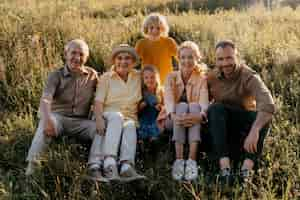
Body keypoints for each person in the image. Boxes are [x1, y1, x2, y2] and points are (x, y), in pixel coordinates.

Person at [25, 39, 105, 181]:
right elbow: (45, 99)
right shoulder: (55, 75)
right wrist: (48, 119)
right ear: (66, 54)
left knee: (101, 130)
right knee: (44, 124)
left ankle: (94, 168)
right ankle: (32, 168)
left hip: (81, 122)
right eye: (73, 53)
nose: (77, 58)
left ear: (86, 58)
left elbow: (103, 96)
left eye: (81, 54)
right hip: (58, 118)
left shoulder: (92, 75)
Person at [207, 40, 276, 183]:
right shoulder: (212, 77)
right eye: (221, 59)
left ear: (237, 57)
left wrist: (255, 130)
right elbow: (198, 99)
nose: (225, 63)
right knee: (215, 108)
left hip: (244, 128)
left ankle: (246, 171)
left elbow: (268, 104)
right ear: (216, 60)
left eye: (229, 58)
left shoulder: (248, 75)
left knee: (263, 117)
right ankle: (225, 169)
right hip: (222, 128)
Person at [94, 44, 145, 182]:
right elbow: (98, 102)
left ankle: (126, 167)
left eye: (127, 58)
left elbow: (154, 83)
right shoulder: (106, 78)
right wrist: (98, 119)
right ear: (114, 61)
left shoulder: (138, 77)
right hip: (109, 115)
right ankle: (109, 162)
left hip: (130, 117)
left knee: (130, 125)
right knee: (117, 117)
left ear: (133, 62)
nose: (123, 61)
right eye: (119, 58)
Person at [164, 41, 209, 181]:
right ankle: (179, 160)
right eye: (183, 57)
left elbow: (204, 100)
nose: (186, 61)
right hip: (173, 119)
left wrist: (200, 115)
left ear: (197, 59)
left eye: (190, 57)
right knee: (181, 106)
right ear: (178, 59)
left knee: (195, 106)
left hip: (194, 120)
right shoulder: (171, 77)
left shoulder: (201, 79)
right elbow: (168, 99)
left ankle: (191, 160)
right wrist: (173, 115)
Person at [135, 12, 178, 84]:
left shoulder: (169, 42)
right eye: (151, 28)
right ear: (146, 29)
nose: (155, 31)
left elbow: (180, 57)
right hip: (148, 81)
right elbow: (134, 61)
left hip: (166, 80)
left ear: (163, 29)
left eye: (158, 28)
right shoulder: (141, 44)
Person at [137, 65, 164, 142]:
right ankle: (143, 137)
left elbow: (164, 105)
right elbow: (137, 109)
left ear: (156, 78)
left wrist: (160, 106)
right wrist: (141, 105)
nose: (149, 80)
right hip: (144, 115)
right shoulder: (141, 91)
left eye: (152, 77)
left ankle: (152, 138)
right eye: (146, 78)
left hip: (156, 115)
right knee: (142, 124)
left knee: (155, 124)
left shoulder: (160, 91)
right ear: (143, 79)